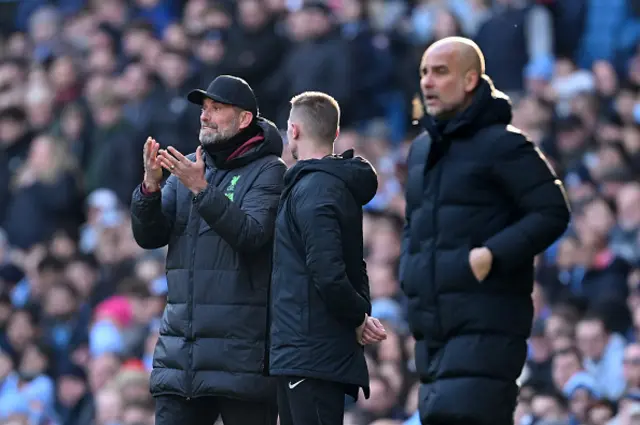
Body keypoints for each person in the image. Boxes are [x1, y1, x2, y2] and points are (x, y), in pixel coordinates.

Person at [401, 37, 571, 425]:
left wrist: (491, 255)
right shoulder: (422, 149)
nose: (427, 81)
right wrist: (407, 274)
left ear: (471, 80)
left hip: (487, 320)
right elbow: (416, 225)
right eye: (424, 72)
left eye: (440, 72)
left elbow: (552, 211)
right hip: (431, 331)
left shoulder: (504, 144)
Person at [130, 75, 286, 425]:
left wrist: (201, 189)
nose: (205, 116)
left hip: (241, 363)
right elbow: (149, 237)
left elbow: (252, 234)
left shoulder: (269, 171)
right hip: (181, 358)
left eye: (217, 109)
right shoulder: (187, 169)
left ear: (244, 119)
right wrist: (149, 188)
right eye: (204, 109)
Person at [268, 91, 388, 425]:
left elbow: (328, 272)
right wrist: (359, 312)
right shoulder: (324, 186)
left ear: (293, 131)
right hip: (305, 352)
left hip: (310, 353)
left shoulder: (315, 189)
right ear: (335, 134)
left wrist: (358, 317)